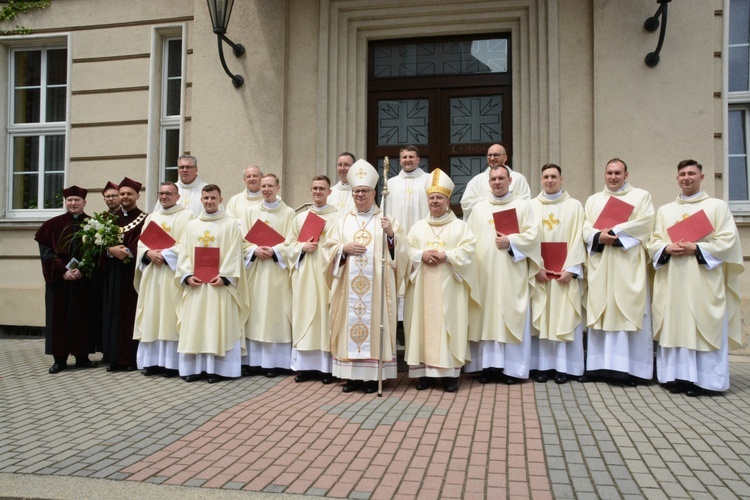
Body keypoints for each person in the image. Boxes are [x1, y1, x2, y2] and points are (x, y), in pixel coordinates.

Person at [647, 159, 744, 396]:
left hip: (703, 279)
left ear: (702, 177)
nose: (686, 177)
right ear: (677, 178)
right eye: (682, 174)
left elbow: (728, 242)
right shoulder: (665, 210)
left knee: (702, 326)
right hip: (673, 280)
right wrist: (666, 249)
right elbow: (654, 241)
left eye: (692, 173)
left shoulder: (716, 207)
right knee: (676, 325)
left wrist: (697, 248)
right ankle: (676, 377)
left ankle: (707, 381)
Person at [325, 159, 408, 394]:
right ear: (352, 194)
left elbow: (402, 253)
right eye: (356, 191)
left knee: (374, 328)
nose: (360, 195)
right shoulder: (342, 222)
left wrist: (391, 235)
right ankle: (351, 376)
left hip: (377, 289)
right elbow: (328, 250)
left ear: (374, 193)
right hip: (348, 288)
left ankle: (373, 378)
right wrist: (343, 249)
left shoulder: (387, 220)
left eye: (365, 191)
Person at [581, 158, 655, 386]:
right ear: (604, 174)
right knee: (602, 313)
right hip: (601, 266)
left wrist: (614, 231)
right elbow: (584, 226)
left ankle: (631, 370)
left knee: (626, 313)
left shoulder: (641, 197)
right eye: (609, 173)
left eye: (618, 173)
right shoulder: (594, 200)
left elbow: (646, 223)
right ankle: (598, 368)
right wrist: (597, 237)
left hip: (627, 265)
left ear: (626, 174)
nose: (613, 177)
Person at [404, 169, 479, 392]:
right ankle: (424, 374)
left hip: (450, 289)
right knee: (423, 326)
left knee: (450, 326)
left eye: (439, 198)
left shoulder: (460, 227)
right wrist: (421, 255)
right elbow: (405, 250)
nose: (435, 201)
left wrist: (448, 256)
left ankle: (449, 376)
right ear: (427, 200)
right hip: (423, 288)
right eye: (432, 198)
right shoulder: (417, 227)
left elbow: (469, 251)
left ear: (448, 201)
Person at [465, 165, 541, 384]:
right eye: (493, 179)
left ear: (510, 181)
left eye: (501, 178)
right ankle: (487, 367)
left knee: (510, 315)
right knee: (487, 317)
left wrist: (512, 241)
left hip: (511, 272)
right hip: (485, 273)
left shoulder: (522, 207)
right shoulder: (479, 209)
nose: (497, 182)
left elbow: (534, 237)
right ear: (488, 182)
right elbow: (468, 240)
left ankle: (513, 369)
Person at [176, 184, 246, 383]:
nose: (209, 201)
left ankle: (218, 369)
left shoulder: (231, 225)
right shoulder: (191, 225)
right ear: (201, 200)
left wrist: (225, 277)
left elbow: (235, 254)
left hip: (219, 286)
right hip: (196, 286)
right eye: (206, 198)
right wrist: (187, 275)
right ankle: (195, 368)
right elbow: (183, 253)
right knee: (196, 325)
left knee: (217, 325)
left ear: (220, 200)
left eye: (213, 198)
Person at [529, 164, 586, 384]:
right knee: (543, 317)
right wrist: (536, 268)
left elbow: (579, 238)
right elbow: (527, 240)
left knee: (564, 316)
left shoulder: (575, 206)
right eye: (546, 177)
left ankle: (565, 367)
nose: (550, 180)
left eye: (554, 176)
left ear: (561, 179)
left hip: (564, 274)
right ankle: (542, 366)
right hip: (541, 274)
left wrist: (571, 270)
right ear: (541, 180)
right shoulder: (531, 206)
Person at [133, 182, 195, 377]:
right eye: (161, 193)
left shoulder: (188, 217)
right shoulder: (152, 217)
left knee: (170, 316)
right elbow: (141, 244)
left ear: (178, 196)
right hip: (152, 275)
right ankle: (152, 362)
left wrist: (167, 254)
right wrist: (149, 253)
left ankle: (171, 364)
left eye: (168, 193)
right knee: (152, 315)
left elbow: (187, 245)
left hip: (172, 275)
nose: (163, 197)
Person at [34, 186, 97, 373]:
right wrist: (63, 272)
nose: (73, 203)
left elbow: (96, 254)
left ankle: (82, 356)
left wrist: (83, 270)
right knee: (58, 319)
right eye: (70, 200)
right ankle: (59, 359)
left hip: (83, 282)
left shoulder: (93, 224)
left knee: (83, 317)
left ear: (84, 202)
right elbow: (46, 253)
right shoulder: (52, 225)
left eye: (77, 200)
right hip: (59, 282)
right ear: (65, 202)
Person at [284, 175, 340, 384]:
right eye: (315, 188)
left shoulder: (338, 217)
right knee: (306, 316)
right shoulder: (300, 218)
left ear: (329, 192)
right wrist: (302, 248)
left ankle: (326, 368)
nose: (318, 192)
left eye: (322, 189)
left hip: (327, 274)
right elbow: (288, 247)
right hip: (306, 274)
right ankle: (306, 368)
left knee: (325, 318)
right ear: (311, 191)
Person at [241, 173, 295, 377]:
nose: (266, 189)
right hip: (255, 271)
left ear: (278, 188)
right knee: (256, 314)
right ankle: (254, 363)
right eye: (263, 186)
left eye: (270, 186)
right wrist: (254, 250)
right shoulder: (250, 212)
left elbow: (292, 241)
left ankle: (276, 363)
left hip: (277, 271)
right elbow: (242, 240)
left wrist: (276, 251)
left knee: (275, 315)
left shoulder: (289, 213)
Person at [103, 177, 148, 372]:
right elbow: (99, 244)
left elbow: (146, 243)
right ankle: (114, 357)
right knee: (113, 314)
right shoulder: (107, 219)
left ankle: (131, 358)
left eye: (129, 194)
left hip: (133, 274)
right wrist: (109, 250)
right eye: (122, 194)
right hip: (112, 274)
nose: (125, 197)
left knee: (131, 315)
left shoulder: (146, 219)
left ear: (137, 196)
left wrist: (128, 251)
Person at [387, 145, 431, 321]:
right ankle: (398, 329)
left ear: (419, 160)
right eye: (404, 157)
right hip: (398, 242)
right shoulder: (391, 183)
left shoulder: (428, 180)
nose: (408, 160)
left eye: (411, 157)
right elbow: (386, 212)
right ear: (400, 161)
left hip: (423, 241)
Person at [460, 143, 531, 219]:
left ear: (505, 158)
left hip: (510, 221)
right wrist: (489, 200)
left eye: (496, 155)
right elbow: (466, 204)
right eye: (489, 155)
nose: (492, 158)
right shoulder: (476, 181)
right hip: (486, 222)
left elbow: (525, 203)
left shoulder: (518, 179)